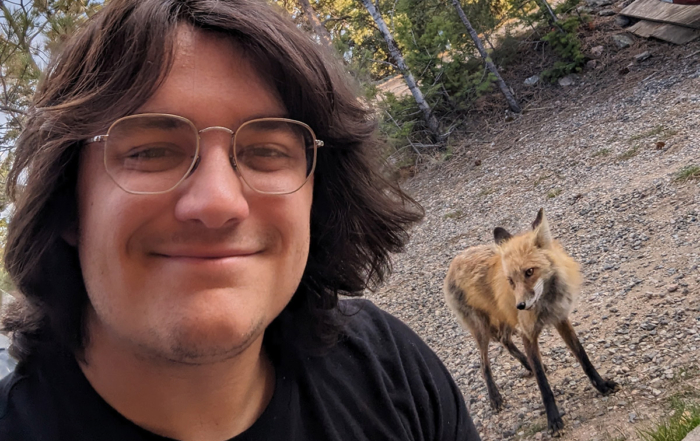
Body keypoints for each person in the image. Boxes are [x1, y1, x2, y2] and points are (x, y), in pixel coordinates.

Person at [0, 0, 480, 439]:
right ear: (67, 204)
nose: (218, 202)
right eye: (151, 151)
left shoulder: (387, 367)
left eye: (267, 151)